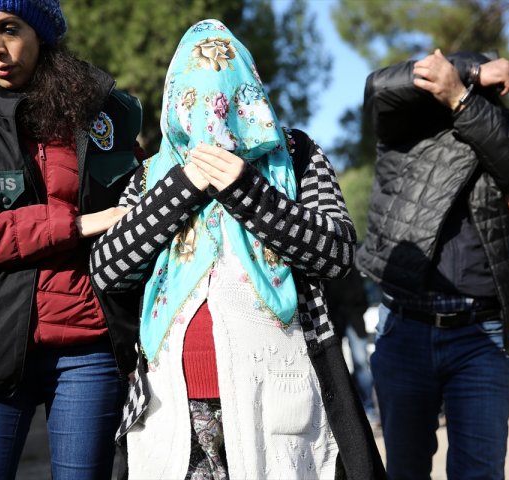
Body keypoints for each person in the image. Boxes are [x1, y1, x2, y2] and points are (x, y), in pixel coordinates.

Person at [89, 18, 385, 480]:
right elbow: (107, 268)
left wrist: (245, 189)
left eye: (225, 96)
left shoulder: (296, 156)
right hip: (173, 406)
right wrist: (184, 186)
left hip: (281, 401)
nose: (211, 114)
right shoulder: (151, 175)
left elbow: (338, 252)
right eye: (195, 98)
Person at [0, 1, 145, 478]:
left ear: (41, 31)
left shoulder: (109, 113)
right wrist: (75, 224)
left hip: (90, 348)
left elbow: (141, 205)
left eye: (9, 29)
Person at [357, 48, 509, 479]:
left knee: (480, 473)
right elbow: (378, 86)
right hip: (406, 324)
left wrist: (462, 98)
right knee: (406, 471)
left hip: (480, 331)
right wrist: (470, 69)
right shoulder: (407, 122)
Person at [323, 265, 380, 425]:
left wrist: (359, 307)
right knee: (336, 366)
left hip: (354, 317)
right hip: (333, 319)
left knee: (361, 363)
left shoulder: (349, 263)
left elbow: (361, 289)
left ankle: (369, 409)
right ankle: (347, 413)